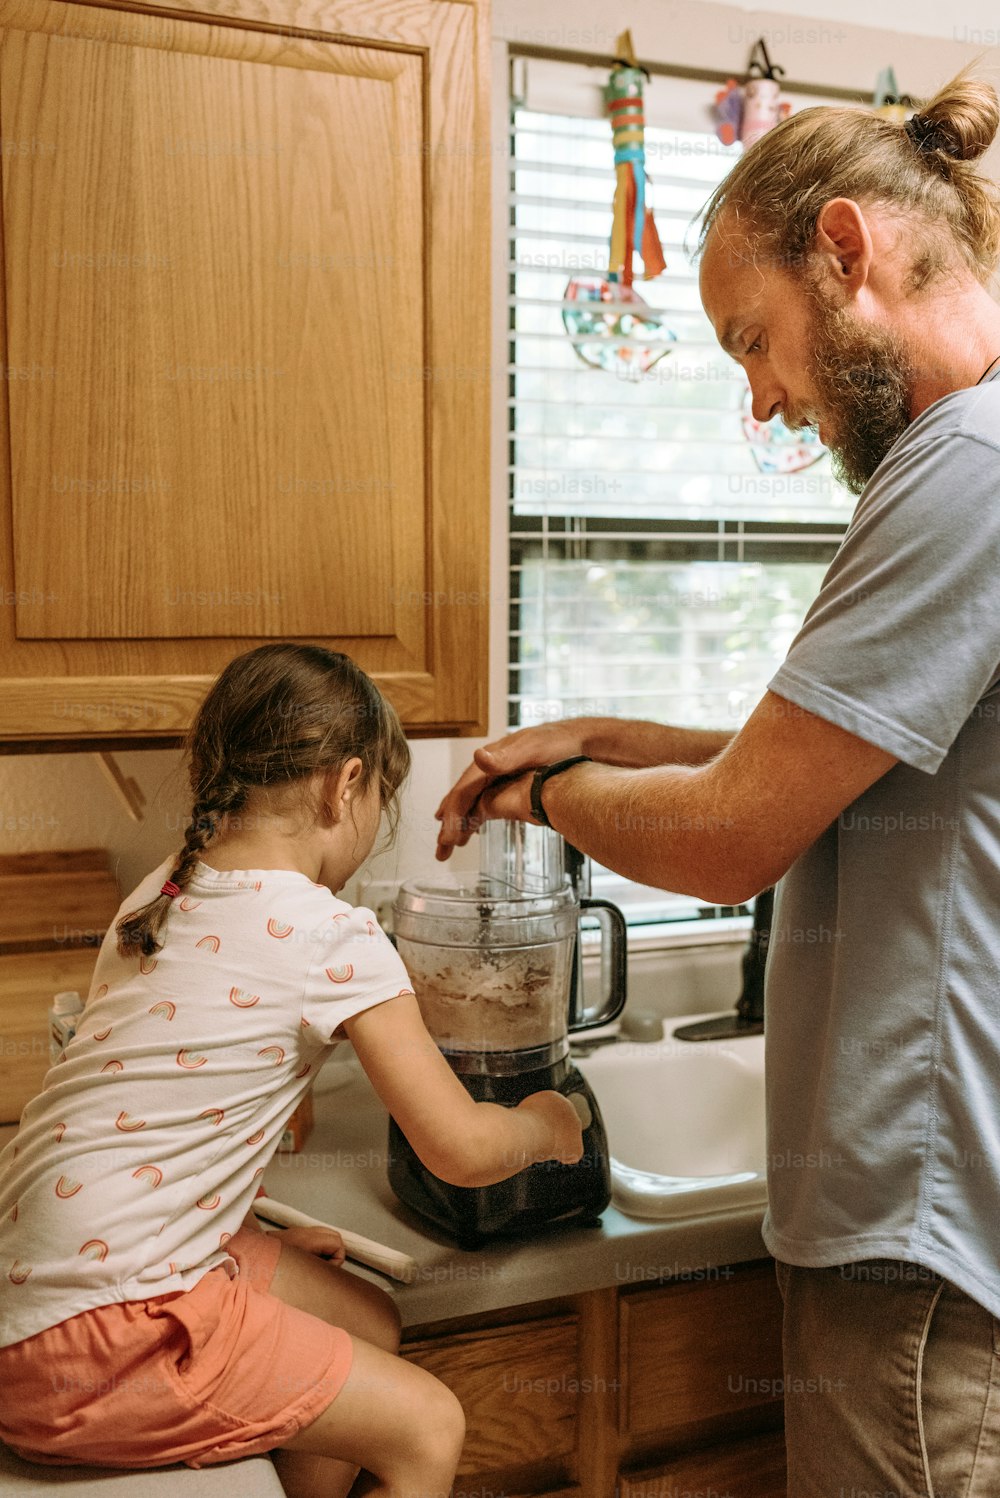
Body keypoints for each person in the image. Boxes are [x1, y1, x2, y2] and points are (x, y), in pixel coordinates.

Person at [435, 68, 1000, 1498]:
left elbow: (739, 835)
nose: (762, 396)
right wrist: (622, 737)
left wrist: (547, 799)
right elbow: (877, 767)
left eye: (754, 339)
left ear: (850, 253)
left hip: (920, 1236)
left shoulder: (961, 469)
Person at [0, 643, 584, 1498]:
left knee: (369, 1319)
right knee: (430, 1426)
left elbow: (161, 1116)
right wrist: (544, 1125)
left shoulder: (157, 895)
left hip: (29, 1303)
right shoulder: (331, 935)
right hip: (108, 1340)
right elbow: (459, 1150)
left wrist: (240, 1239)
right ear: (342, 785)